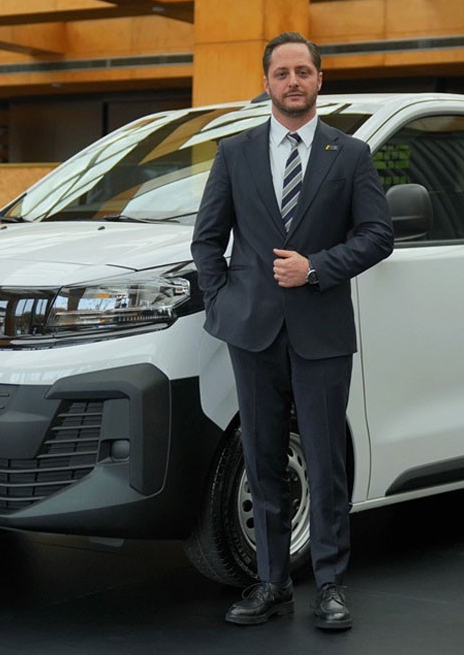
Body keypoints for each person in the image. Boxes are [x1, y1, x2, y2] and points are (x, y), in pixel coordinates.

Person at [190, 31, 394, 630]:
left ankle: (330, 586)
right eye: (282, 73)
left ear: (319, 80)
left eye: (303, 71)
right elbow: (207, 240)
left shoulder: (349, 155)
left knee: (326, 462)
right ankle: (272, 583)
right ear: (266, 83)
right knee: (263, 460)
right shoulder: (235, 154)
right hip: (252, 333)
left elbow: (378, 235)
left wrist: (316, 269)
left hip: (321, 331)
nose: (293, 82)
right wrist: (223, 302)